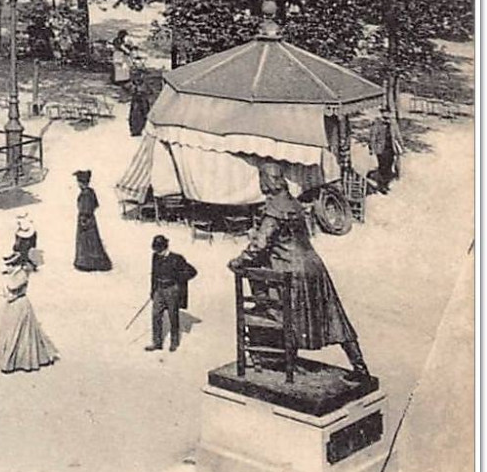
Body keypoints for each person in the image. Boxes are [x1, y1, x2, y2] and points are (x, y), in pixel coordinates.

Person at [228, 162, 370, 380]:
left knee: (283, 314)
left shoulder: (274, 209)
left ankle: (285, 362)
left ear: (266, 181)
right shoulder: (293, 204)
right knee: (333, 315)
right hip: (314, 266)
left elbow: (259, 245)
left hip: (291, 270)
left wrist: (238, 261)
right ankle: (359, 366)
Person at [0, 251, 58, 374]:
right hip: (12, 306)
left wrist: (6, 289)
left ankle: (14, 362)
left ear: (16, 265)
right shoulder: (16, 274)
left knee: (17, 332)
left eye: (10, 265)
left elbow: (12, 289)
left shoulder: (20, 275)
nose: (8, 267)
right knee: (9, 331)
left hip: (19, 305)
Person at [146, 234, 198, 353]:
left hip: (171, 289)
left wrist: (177, 279)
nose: (157, 252)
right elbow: (154, 274)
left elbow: (192, 271)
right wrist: (152, 290)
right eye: (155, 249)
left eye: (159, 249)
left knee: (173, 316)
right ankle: (157, 342)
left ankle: (174, 342)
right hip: (159, 289)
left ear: (164, 247)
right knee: (155, 315)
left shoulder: (177, 258)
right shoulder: (155, 257)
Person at [72, 170, 113, 272]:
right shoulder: (91, 192)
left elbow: (85, 209)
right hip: (90, 219)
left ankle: (87, 263)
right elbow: (96, 205)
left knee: (87, 241)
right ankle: (90, 262)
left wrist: (84, 219)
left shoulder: (85, 194)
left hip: (85, 220)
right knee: (92, 241)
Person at [368, 104, 403, 194]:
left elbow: (397, 135)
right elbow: (373, 136)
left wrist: (401, 145)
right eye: (383, 112)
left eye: (387, 112)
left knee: (389, 166)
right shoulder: (377, 123)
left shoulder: (393, 123)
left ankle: (386, 184)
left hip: (391, 148)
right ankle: (381, 185)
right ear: (381, 113)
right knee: (382, 166)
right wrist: (371, 148)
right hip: (381, 149)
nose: (386, 114)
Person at [127, 71, 151, 138]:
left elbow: (149, 92)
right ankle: (135, 129)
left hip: (141, 101)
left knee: (141, 115)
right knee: (135, 115)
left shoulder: (144, 85)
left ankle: (138, 128)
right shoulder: (133, 85)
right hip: (137, 101)